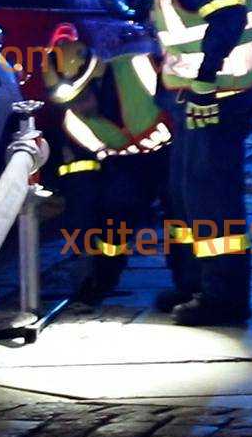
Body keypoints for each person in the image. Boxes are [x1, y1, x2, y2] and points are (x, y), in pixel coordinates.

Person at [118, 0, 252, 326]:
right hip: (188, 88)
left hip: (215, 91)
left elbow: (227, 18)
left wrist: (204, 85)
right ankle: (191, 282)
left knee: (211, 194)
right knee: (182, 192)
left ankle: (224, 297)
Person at [44, 29, 172, 307]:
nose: (78, 107)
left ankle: (191, 286)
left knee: (183, 215)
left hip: (175, 153)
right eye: (70, 103)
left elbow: (180, 99)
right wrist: (82, 240)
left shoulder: (138, 69)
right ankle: (101, 280)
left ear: (97, 80)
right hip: (128, 165)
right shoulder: (74, 122)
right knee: (114, 211)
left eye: (81, 98)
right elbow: (80, 182)